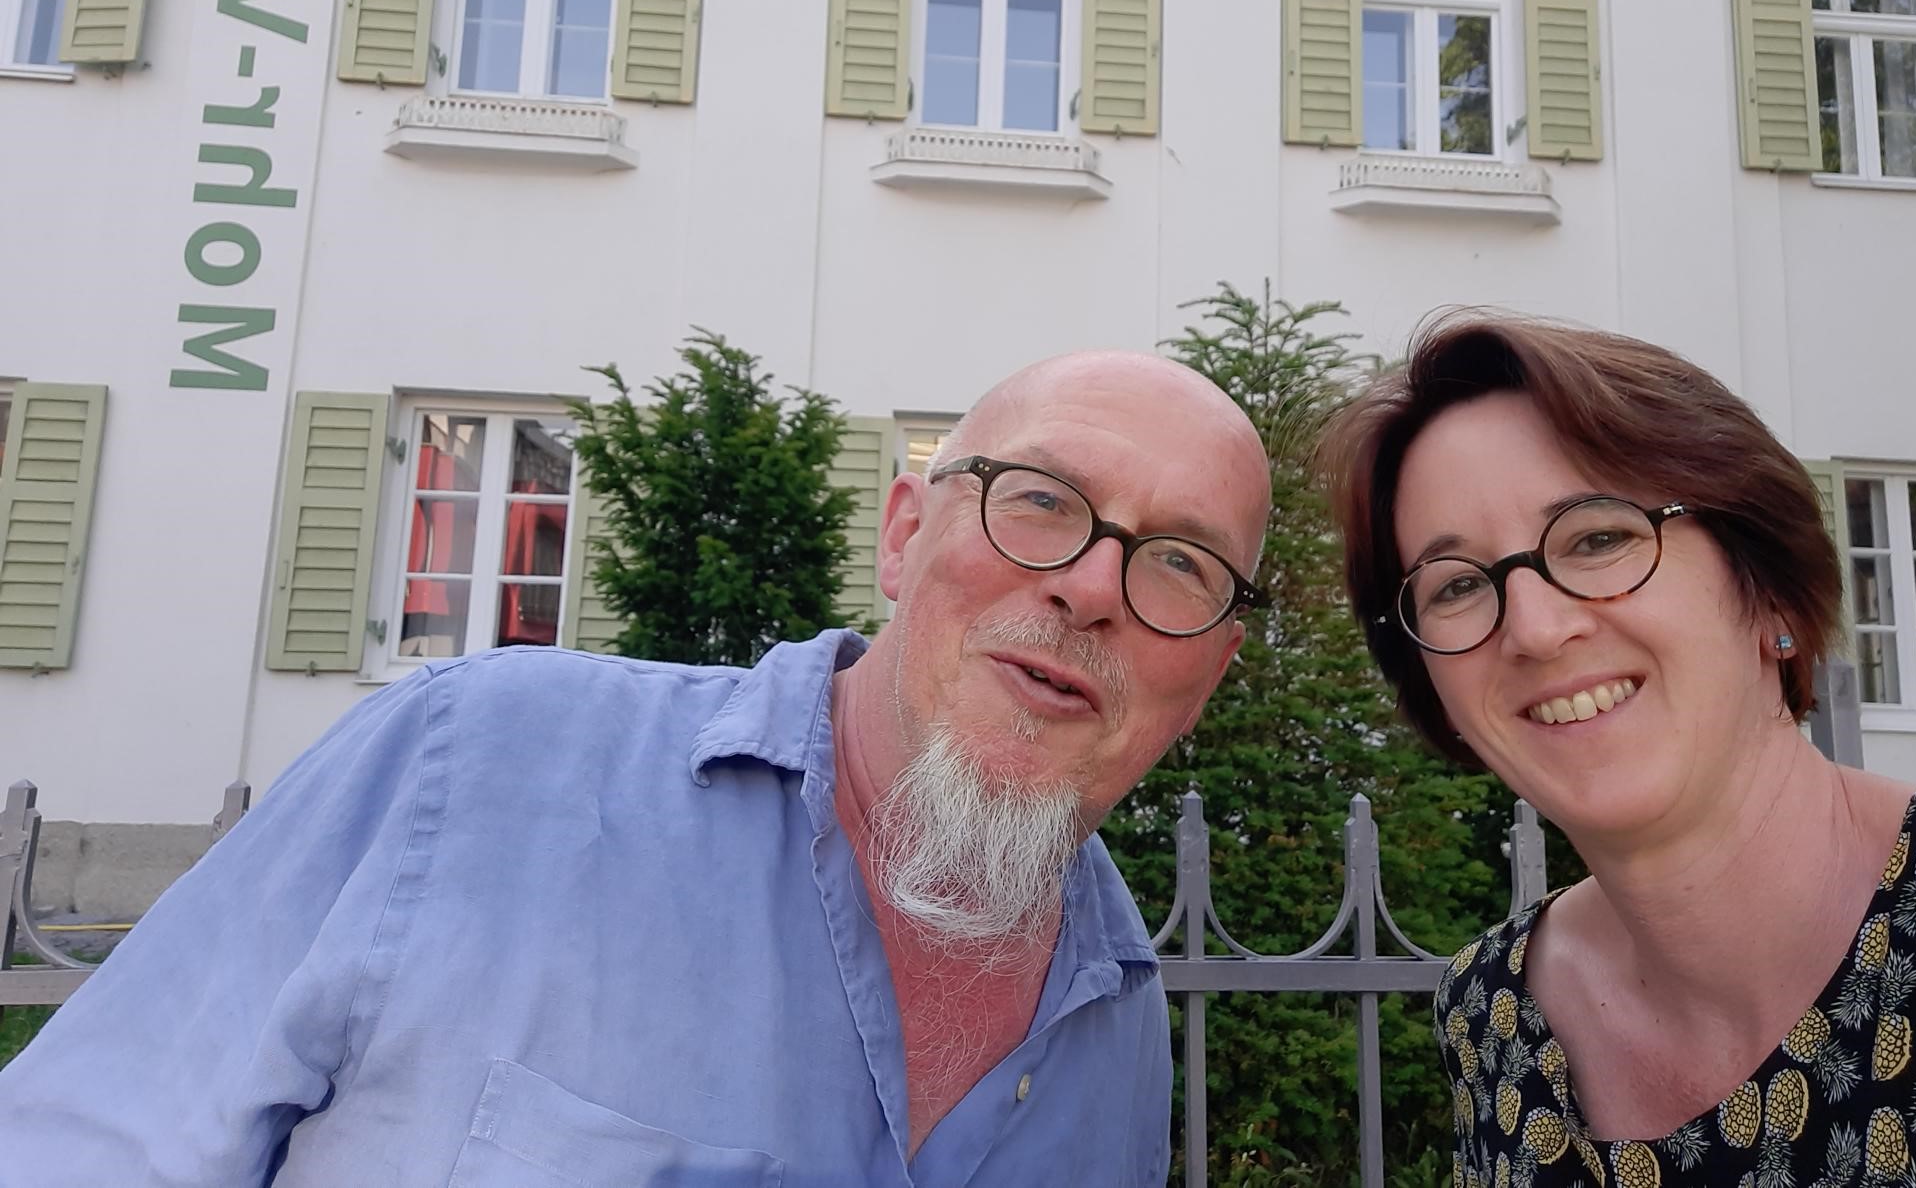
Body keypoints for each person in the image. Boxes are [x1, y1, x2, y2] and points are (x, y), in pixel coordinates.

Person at [0, 350, 1271, 1188]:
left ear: (1210, 667)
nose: (1092, 586)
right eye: (1040, 499)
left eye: (1180, 562)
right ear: (902, 536)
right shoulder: (473, 764)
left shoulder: (1115, 1023)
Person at [1317, 312, 1916, 1187]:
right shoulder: (1492, 1016)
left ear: (1771, 593)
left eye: (1598, 538)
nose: (1534, 628)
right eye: (1456, 587)